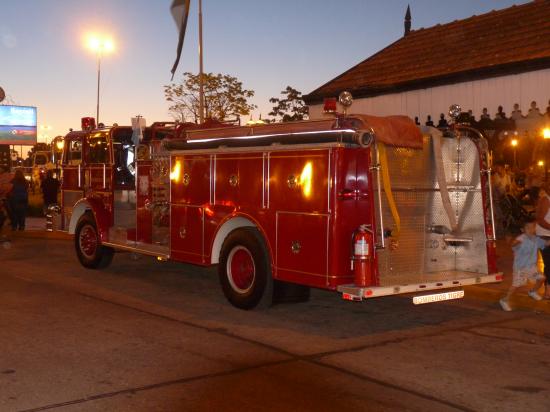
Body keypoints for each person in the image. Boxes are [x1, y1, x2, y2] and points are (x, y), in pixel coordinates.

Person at [500, 216, 548, 311]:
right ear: (523, 229)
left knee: (542, 278)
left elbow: (546, 243)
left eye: (533, 227)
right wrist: (513, 242)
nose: (531, 229)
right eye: (528, 228)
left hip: (531, 267)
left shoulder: (536, 239)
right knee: (516, 285)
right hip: (520, 268)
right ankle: (504, 300)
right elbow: (515, 243)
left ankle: (532, 292)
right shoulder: (522, 238)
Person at [536, 184, 550, 299]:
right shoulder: (546, 200)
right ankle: (547, 291)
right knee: (549, 264)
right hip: (545, 236)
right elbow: (540, 220)